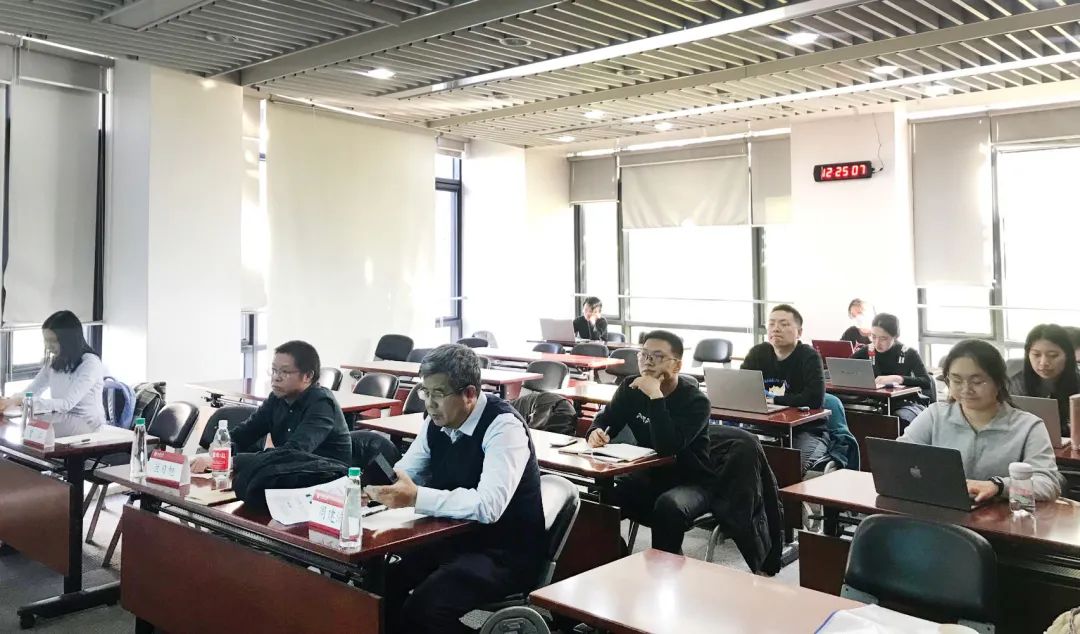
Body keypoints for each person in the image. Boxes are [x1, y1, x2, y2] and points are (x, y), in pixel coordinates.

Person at [367, 344, 545, 634]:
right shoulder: (436, 422)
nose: (429, 404)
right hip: (450, 538)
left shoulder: (504, 427)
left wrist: (416, 497)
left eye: (438, 394)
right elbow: (407, 471)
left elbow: (488, 506)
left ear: (470, 394)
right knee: (380, 587)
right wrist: (375, 487)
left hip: (503, 552)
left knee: (425, 608)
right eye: (425, 392)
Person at [586, 330, 712, 555]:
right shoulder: (631, 387)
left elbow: (667, 448)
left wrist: (655, 396)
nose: (648, 361)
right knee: (599, 500)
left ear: (677, 365)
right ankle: (616, 558)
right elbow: (606, 419)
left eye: (658, 356)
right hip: (649, 475)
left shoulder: (696, 401)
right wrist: (595, 432)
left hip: (691, 481)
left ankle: (664, 569)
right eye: (643, 354)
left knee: (667, 506)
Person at [900, 339, 1061, 502]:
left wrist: (999, 487)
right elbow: (897, 458)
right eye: (956, 380)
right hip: (942, 509)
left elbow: (1047, 485)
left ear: (999, 382)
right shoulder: (934, 416)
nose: (966, 389)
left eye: (977, 382)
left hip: (1001, 516)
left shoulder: (1028, 427)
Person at [190, 340, 351, 472]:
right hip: (291, 474)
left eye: (284, 372)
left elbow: (292, 453)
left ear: (308, 376)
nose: (276, 378)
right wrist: (222, 449)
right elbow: (246, 433)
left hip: (325, 481)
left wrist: (230, 462)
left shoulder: (322, 404)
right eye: (274, 370)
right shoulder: (276, 398)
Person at [742, 305, 832, 473]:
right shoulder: (758, 353)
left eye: (783, 324)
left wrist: (774, 400)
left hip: (806, 430)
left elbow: (814, 399)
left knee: (789, 469)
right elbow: (741, 387)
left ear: (799, 332)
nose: (776, 329)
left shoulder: (808, 356)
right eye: (771, 324)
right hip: (764, 427)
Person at [0, 310, 106, 427]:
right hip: (62, 421)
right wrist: (10, 400)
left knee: (32, 433)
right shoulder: (55, 361)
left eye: (53, 341)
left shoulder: (90, 363)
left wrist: (22, 401)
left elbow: (66, 404)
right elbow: (33, 389)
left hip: (89, 426)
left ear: (68, 340)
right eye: (46, 340)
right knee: (27, 432)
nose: (48, 346)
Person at [851, 313, 934, 427]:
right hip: (874, 402)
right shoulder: (867, 351)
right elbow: (845, 368)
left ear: (895, 336)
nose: (877, 343)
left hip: (905, 404)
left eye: (883, 338)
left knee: (897, 421)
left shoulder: (908, 353)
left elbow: (926, 381)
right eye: (873, 336)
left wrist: (899, 379)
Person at [1007, 324, 1080, 437]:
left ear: (1068, 356)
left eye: (1053, 355)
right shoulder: (1016, 384)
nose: (1043, 362)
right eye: (1036, 355)